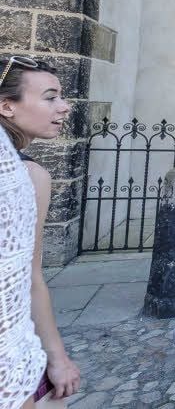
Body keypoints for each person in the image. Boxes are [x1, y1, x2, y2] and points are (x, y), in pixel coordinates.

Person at [0, 56, 81, 407]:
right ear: (7, 106)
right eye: (50, 97)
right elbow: (28, 278)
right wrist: (57, 358)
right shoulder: (28, 177)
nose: (64, 107)